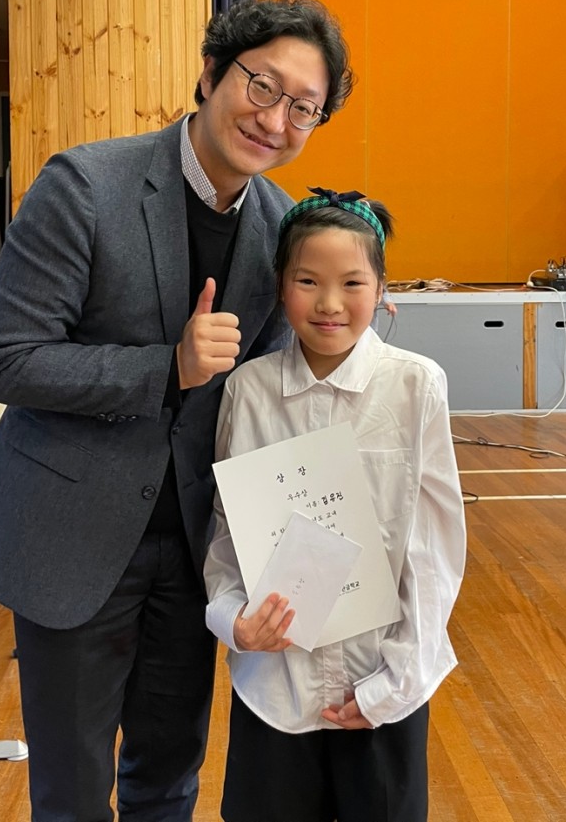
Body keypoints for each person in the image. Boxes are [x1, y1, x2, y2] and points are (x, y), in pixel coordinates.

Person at [0, 0, 354, 822]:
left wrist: (348, 321)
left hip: (195, 550)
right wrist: (166, 366)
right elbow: (9, 359)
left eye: (303, 107)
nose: (274, 119)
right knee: (71, 793)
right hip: (72, 540)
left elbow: (273, 384)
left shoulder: (278, 227)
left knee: (169, 777)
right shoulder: (84, 185)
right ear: (210, 73)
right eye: (261, 85)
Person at [204, 188, 467, 822]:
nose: (329, 303)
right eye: (307, 281)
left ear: (381, 288)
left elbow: (432, 549)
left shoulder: (415, 385)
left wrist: (396, 683)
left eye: (352, 282)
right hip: (275, 685)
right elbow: (226, 531)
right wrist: (233, 618)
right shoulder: (248, 389)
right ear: (280, 286)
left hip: (380, 681)